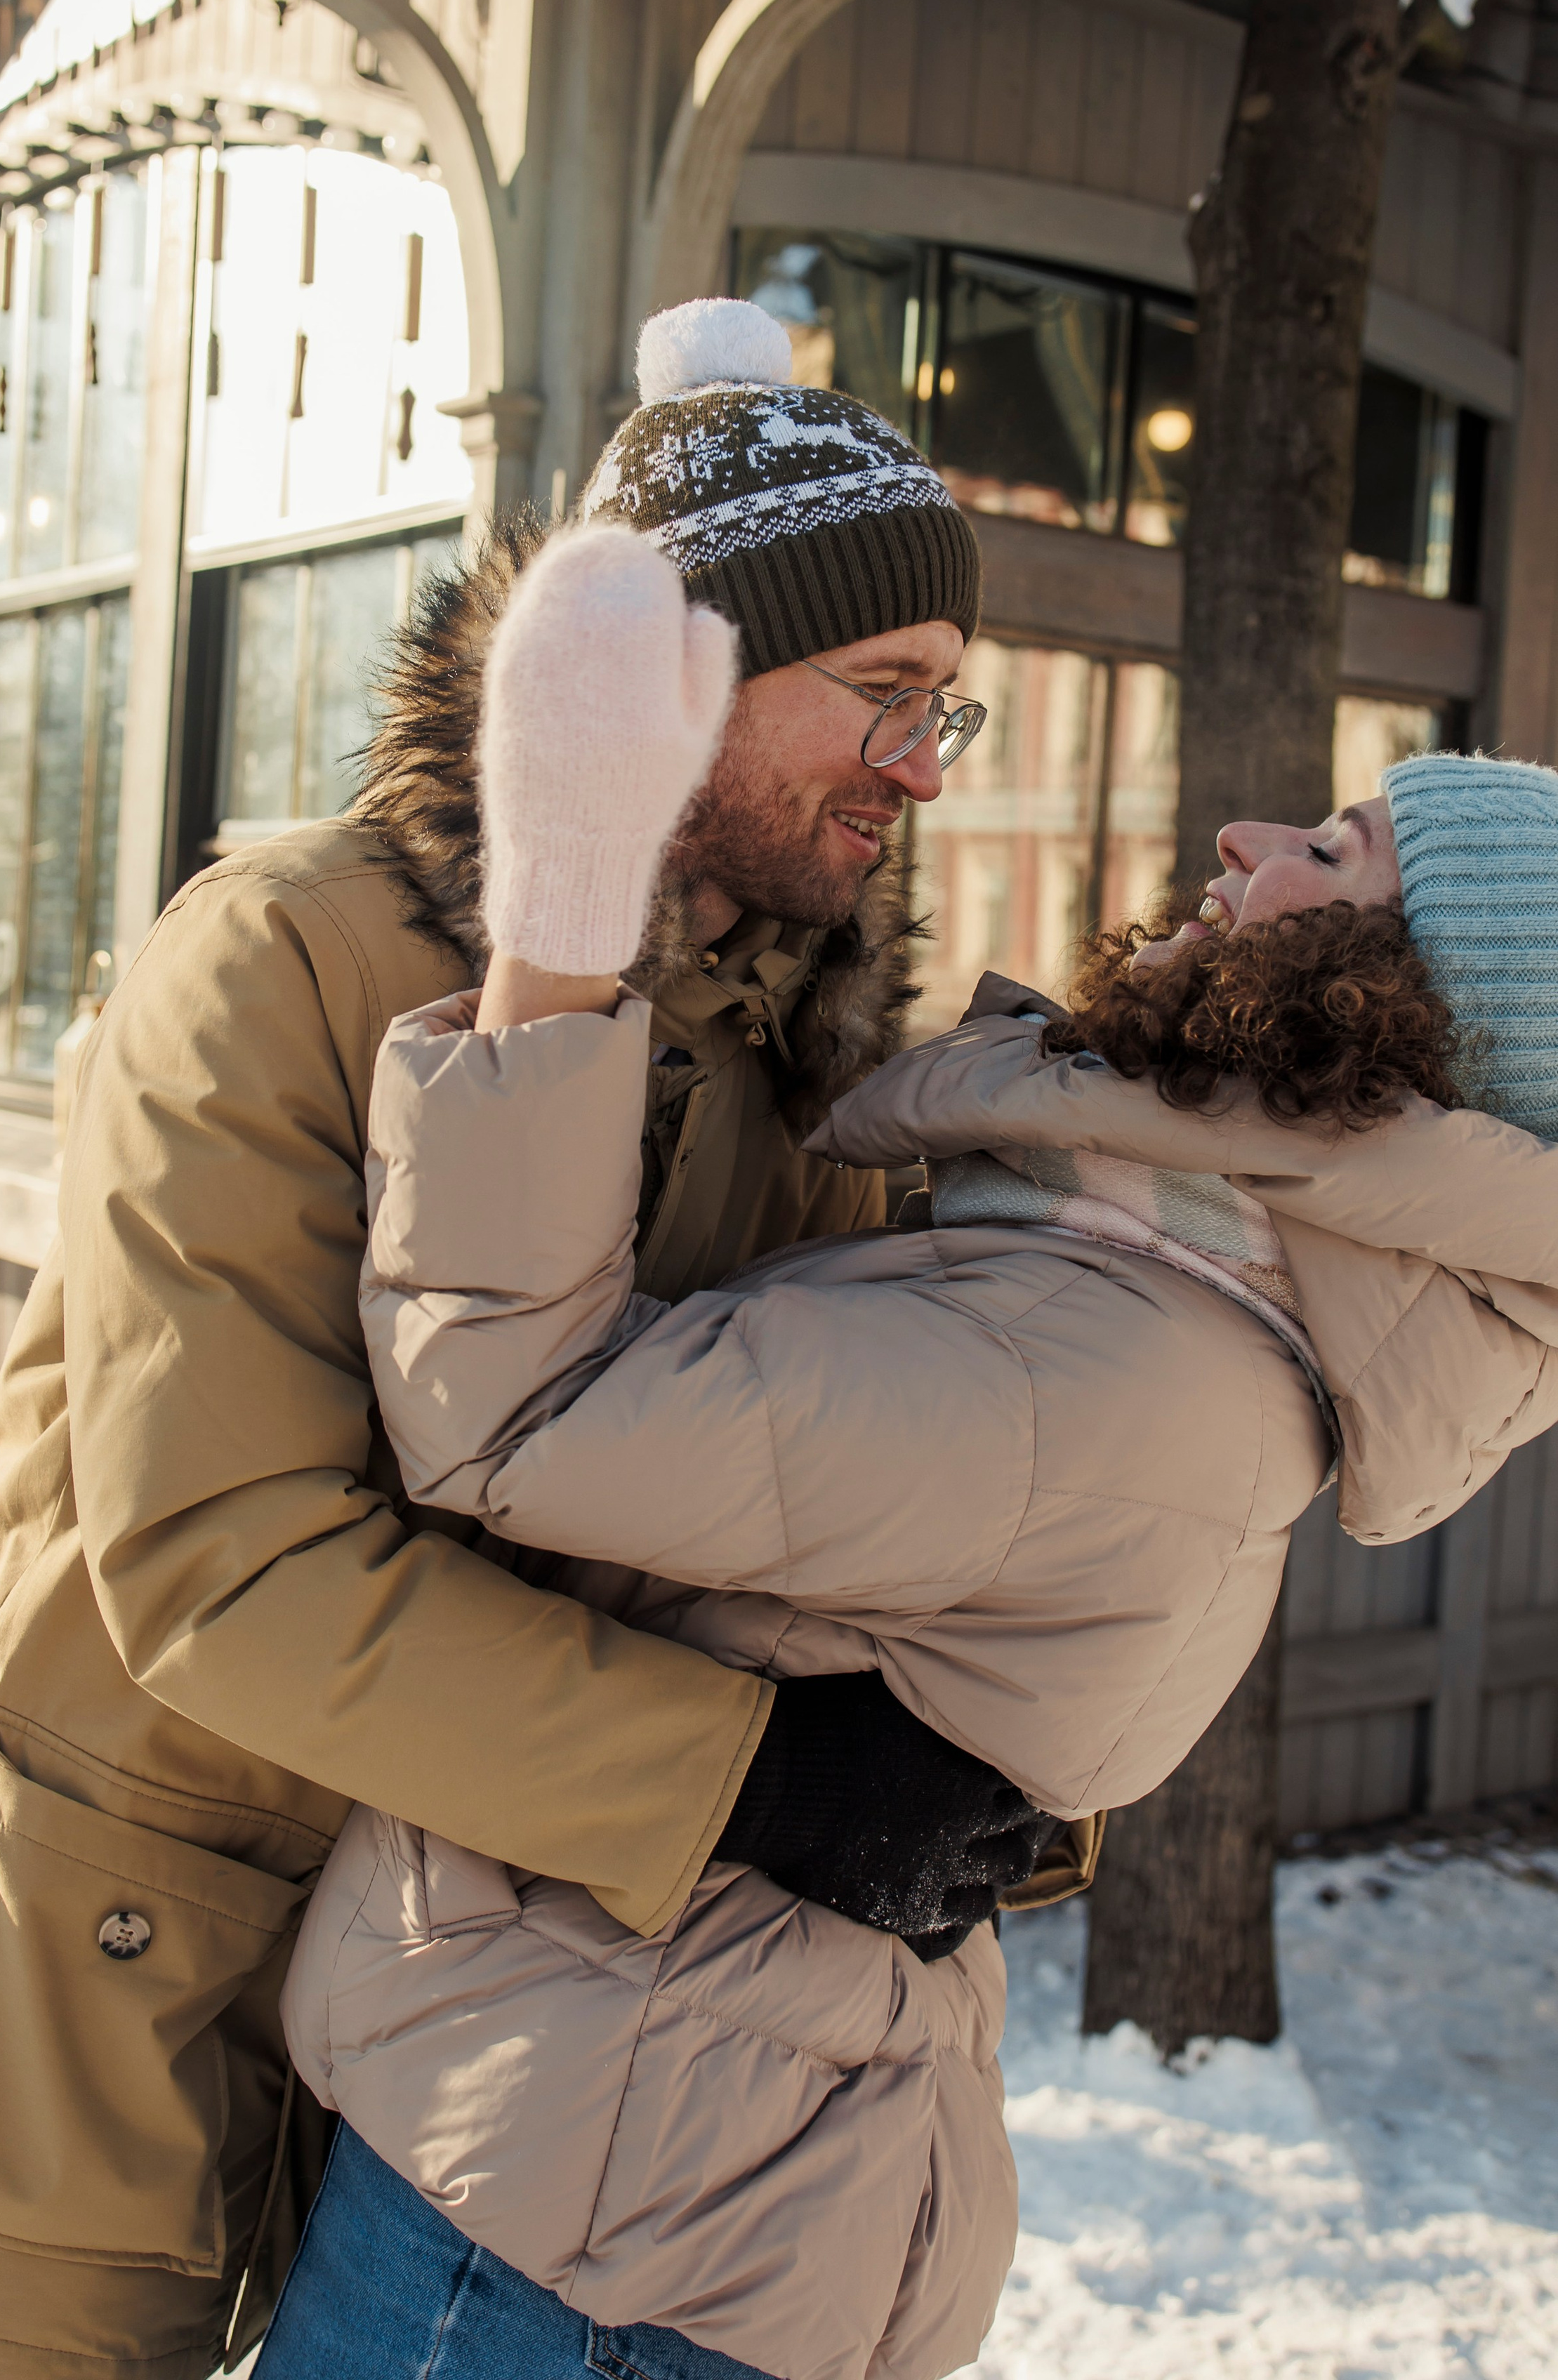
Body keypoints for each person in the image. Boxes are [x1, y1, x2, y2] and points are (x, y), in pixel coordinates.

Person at [0, 302, 1067, 2380]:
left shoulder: (804, 1065)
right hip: (108, 1981)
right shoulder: (287, 955)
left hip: (465, 2044)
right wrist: (755, 1780)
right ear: (672, 672)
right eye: (879, 694)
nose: (915, 770)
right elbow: (228, 1568)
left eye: (946, 712)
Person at [268, 524, 1558, 2380]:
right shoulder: (1151, 1275)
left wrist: (557, 924)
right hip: (644, 2161)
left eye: (1331, 853)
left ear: (1408, 1008)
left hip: (580, 2222)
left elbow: (513, 1420)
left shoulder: (1108, 1351)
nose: (1249, 843)